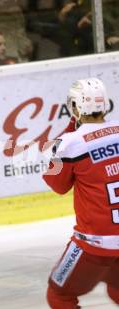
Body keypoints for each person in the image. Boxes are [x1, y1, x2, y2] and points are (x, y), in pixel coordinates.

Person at [43, 77, 119, 308]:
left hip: (94, 244)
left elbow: (58, 185)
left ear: (74, 107)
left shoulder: (68, 144)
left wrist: (67, 131)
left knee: (59, 296)